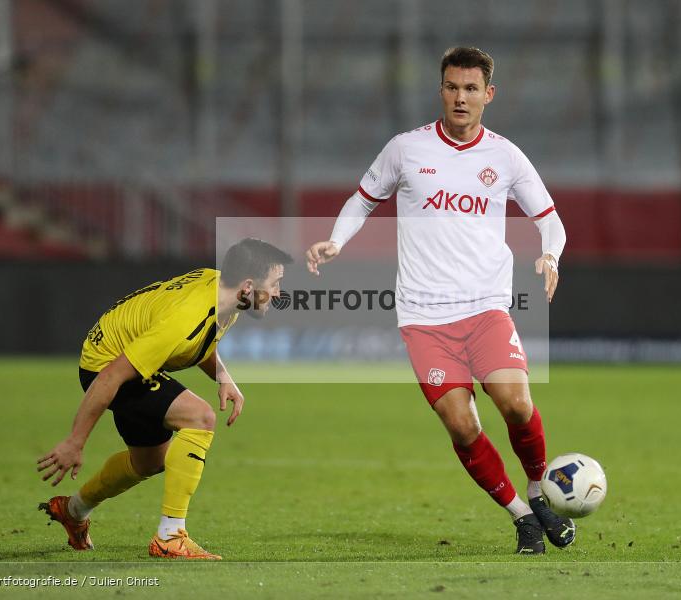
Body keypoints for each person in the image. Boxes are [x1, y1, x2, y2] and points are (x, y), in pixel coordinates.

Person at [306, 47, 573, 554]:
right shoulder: (406, 149)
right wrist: (336, 240)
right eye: (452, 87)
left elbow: (550, 220)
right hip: (425, 319)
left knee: (516, 405)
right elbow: (363, 198)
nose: (461, 97)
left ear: (488, 95)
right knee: (462, 423)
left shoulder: (506, 156)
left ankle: (539, 491)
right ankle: (522, 517)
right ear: (441, 90)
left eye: (471, 89)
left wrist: (551, 256)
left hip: (485, 307)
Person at [37, 238, 292, 560]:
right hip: (105, 365)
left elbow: (201, 340)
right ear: (247, 287)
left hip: (122, 356)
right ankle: (170, 536)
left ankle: (72, 510)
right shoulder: (184, 320)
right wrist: (75, 441)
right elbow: (111, 377)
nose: (280, 293)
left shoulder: (222, 291)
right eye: (276, 284)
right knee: (200, 417)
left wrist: (223, 377)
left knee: (149, 462)